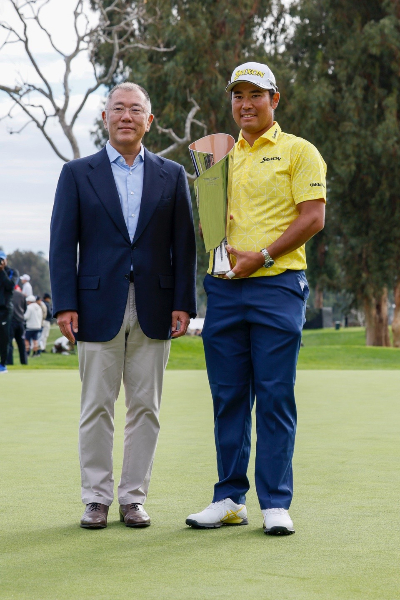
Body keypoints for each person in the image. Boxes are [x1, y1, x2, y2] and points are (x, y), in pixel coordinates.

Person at [186, 62, 326, 535]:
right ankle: (228, 498)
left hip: (277, 285)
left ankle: (275, 503)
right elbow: (210, 229)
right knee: (227, 397)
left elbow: (312, 218)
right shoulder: (218, 157)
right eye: (237, 96)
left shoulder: (298, 151)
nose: (245, 104)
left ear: (275, 99)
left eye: (256, 95)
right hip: (224, 288)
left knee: (273, 396)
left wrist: (262, 257)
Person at [49, 82, 196, 529]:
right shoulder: (77, 173)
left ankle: (133, 498)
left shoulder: (172, 175)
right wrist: (64, 304)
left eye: (136, 110)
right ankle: (95, 498)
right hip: (94, 306)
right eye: (118, 108)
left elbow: (184, 244)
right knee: (96, 405)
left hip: (155, 304)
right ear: (104, 117)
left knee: (145, 407)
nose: (126, 116)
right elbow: (61, 244)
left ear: (149, 121)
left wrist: (183, 303)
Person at [0, 251, 19, 374]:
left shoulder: (12, 272)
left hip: (5, 309)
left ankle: (3, 364)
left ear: (6, 260)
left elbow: (11, 285)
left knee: (4, 337)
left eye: (1, 260)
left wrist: (1, 271)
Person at [7, 287, 28, 365]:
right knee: (21, 343)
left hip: (10, 321)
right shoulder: (22, 295)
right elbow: (25, 308)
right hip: (20, 322)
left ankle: (9, 362)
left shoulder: (6, 294)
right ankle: (24, 362)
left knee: (9, 343)